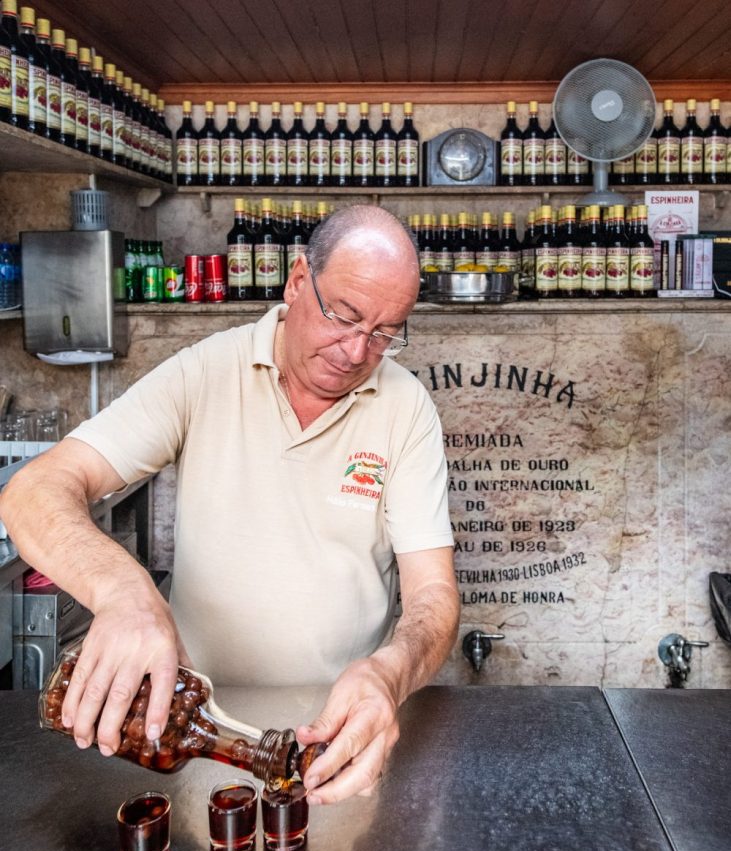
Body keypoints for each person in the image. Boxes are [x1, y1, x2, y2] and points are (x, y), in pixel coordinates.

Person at [0, 205, 460, 804]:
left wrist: (388, 674)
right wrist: (125, 593)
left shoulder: (406, 407)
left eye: (383, 333)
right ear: (298, 281)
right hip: (195, 732)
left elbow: (433, 595)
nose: (355, 351)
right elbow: (32, 490)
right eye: (344, 317)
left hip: (338, 738)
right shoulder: (206, 372)